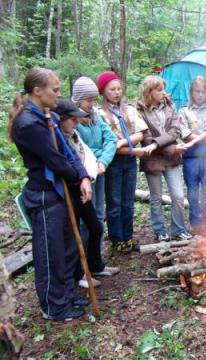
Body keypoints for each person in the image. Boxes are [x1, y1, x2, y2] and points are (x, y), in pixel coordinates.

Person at [8, 67, 92, 321]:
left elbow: (68, 151)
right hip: (44, 195)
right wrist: (78, 177)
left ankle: (66, 295)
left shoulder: (49, 116)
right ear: (37, 91)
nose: (58, 95)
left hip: (62, 190)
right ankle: (54, 306)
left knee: (66, 249)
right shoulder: (28, 124)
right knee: (50, 252)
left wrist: (84, 176)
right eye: (55, 90)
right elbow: (55, 161)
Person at [52, 98, 120, 289]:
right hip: (67, 192)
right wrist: (79, 178)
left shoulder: (73, 135)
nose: (76, 122)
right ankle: (78, 274)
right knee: (75, 234)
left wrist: (87, 177)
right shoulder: (56, 139)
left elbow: (85, 156)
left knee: (96, 227)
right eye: (72, 119)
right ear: (62, 119)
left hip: (82, 187)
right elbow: (64, 164)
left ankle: (95, 265)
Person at [97, 71, 148, 253]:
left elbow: (140, 134)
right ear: (103, 91)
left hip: (129, 161)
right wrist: (130, 146)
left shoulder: (129, 110)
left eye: (119, 89)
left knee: (128, 201)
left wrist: (123, 141)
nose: (117, 92)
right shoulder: (100, 114)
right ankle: (116, 238)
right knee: (114, 201)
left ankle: (128, 236)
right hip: (113, 163)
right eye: (112, 89)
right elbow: (109, 146)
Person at [136, 75, 192, 241]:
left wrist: (158, 144)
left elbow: (175, 130)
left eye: (163, 89)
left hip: (171, 158)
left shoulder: (169, 105)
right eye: (159, 90)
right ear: (149, 92)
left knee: (178, 196)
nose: (163, 92)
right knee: (156, 198)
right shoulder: (139, 110)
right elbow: (146, 139)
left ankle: (178, 229)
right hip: (152, 159)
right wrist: (173, 147)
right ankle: (160, 231)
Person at [72, 76, 118, 259]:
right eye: (88, 100)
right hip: (85, 174)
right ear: (78, 99)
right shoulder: (72, 120)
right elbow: (79, 148)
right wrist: (95, 163)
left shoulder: (95, 117)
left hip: (100, 170)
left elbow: (111, 138)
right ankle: (85, 261)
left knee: (99, 214)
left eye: (93, 99)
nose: (92, 103)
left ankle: (96, 259)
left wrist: (103, 161)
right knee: (86, 219)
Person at [178, 76, 206, 233]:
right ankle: (195, 222)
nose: (200, 95)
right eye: (197, 91)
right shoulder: (183, 110)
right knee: (193, 190)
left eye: (203, 92)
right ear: (191, 92)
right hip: (191, 157)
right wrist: (202, 139)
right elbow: (185, 133)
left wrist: (198, 138)